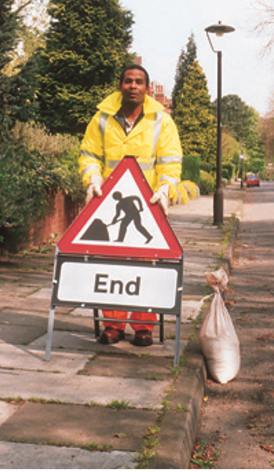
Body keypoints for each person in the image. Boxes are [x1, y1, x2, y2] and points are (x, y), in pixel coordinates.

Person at [79, 63, 182, 346]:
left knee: (145, 267)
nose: (133, 86)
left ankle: (143, 327)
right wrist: (92, 178)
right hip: (110, 203)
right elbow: (88, 154)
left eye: (139, 82)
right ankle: (112, 325)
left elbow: (170, 161)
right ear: (120, 85)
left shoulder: (162, 120)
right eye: (128, 81)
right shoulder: (101, 118)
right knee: (111, 265)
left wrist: (165, 188)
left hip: (148, 205)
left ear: (148, 89)